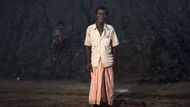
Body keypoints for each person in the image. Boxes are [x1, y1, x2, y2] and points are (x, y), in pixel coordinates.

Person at [84, 6, 119, 107]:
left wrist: (115, 62)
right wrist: (88, 62)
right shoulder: (90, 29)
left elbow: (115, 46)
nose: (101, 16)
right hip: (95, 61)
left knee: (108, 83)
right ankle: (96, 101)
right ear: (96, 15)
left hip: (107, 61)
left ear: (106, 16)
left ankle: (107, 101)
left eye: (103, 14)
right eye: (99, 13)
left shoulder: (110, 29)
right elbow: (87, 45)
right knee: (96, 83)